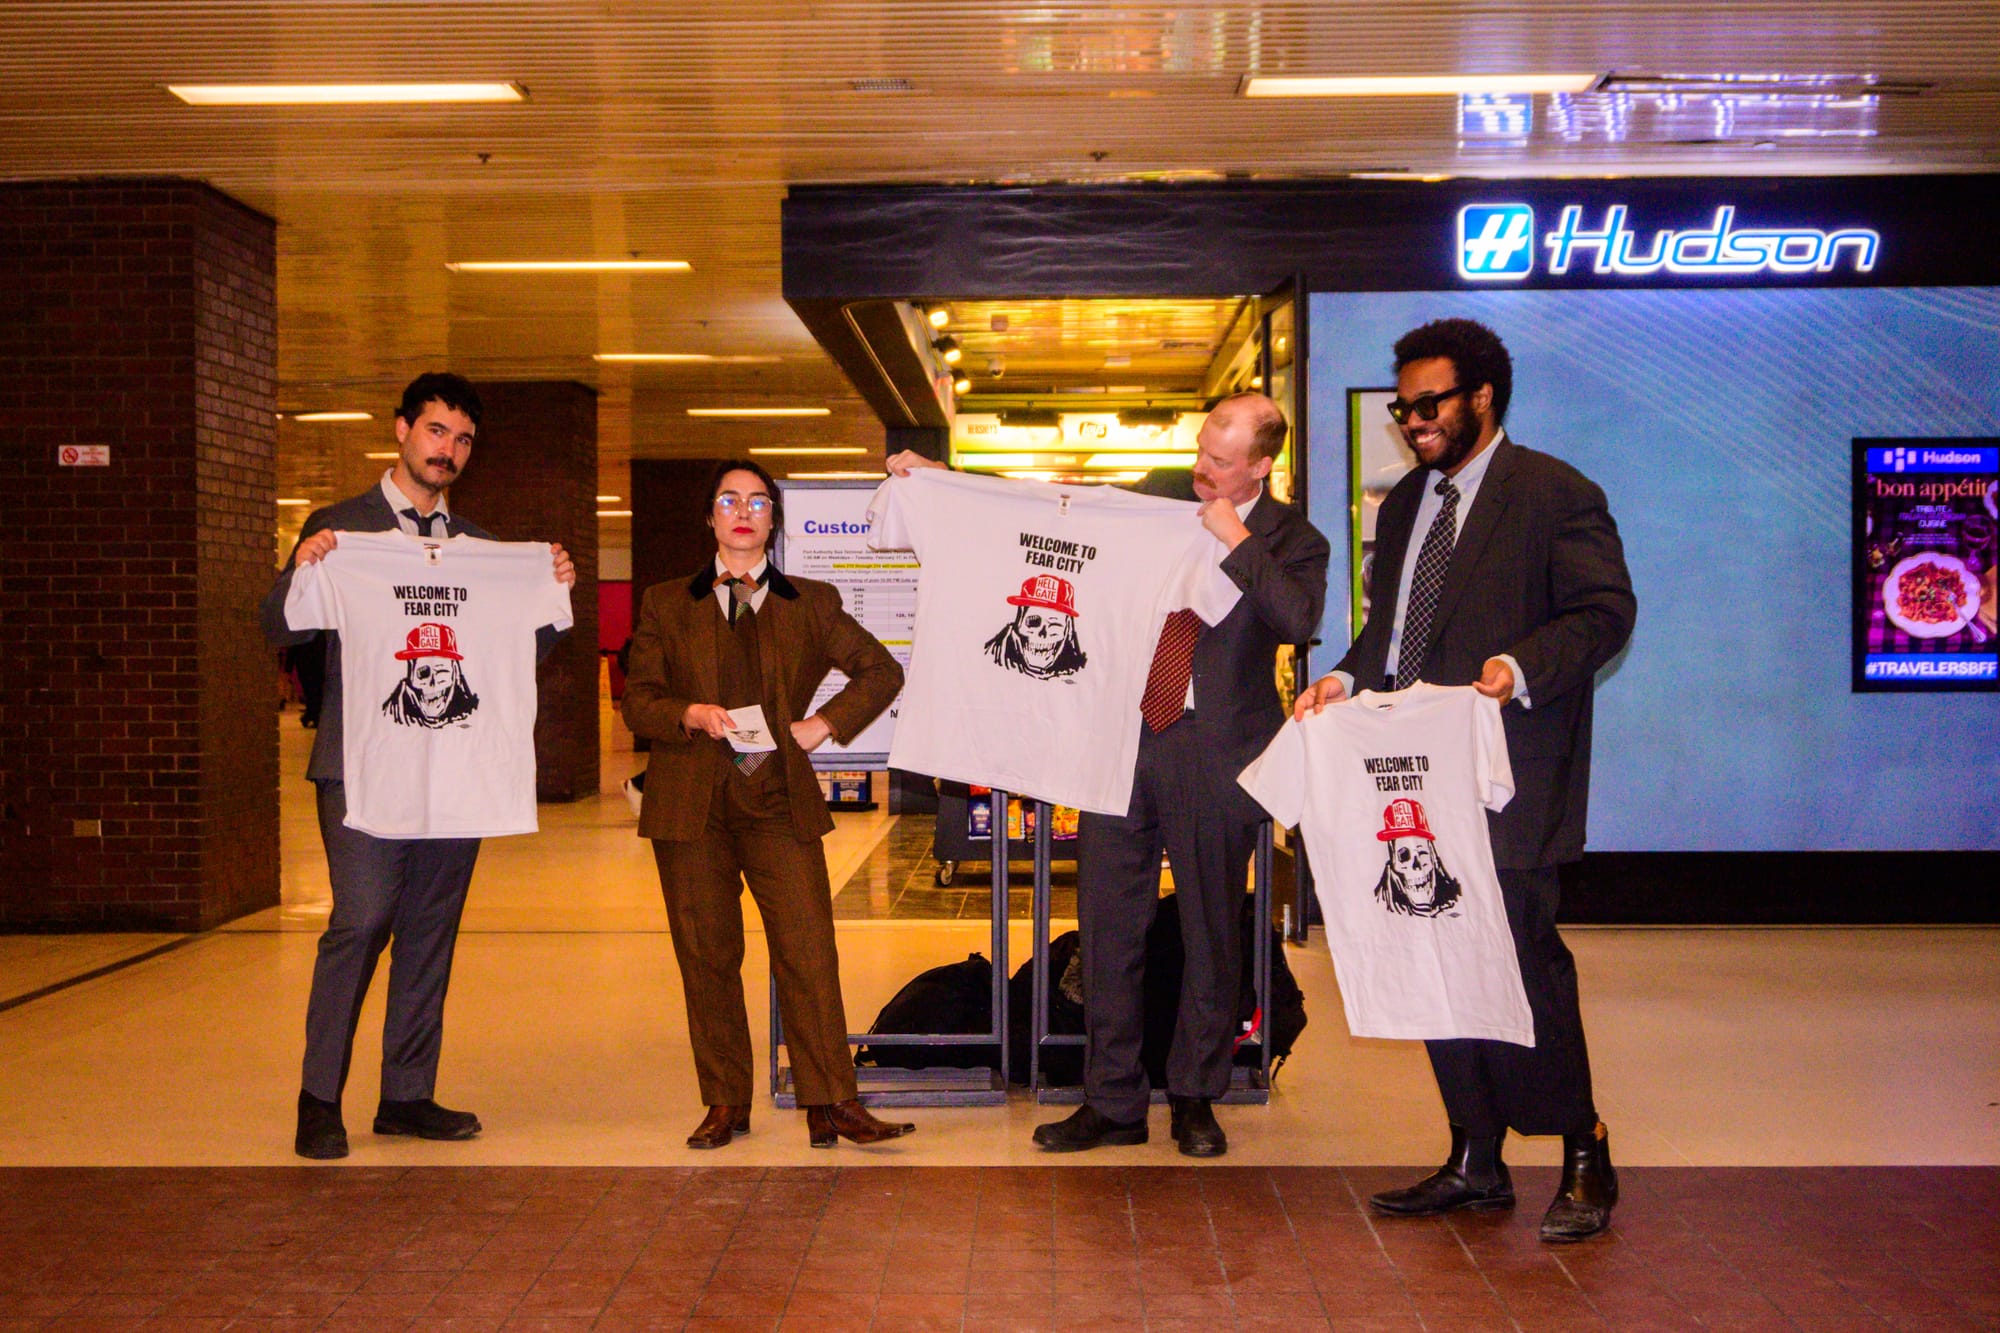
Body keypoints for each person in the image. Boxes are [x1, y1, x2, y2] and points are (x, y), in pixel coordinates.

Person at [890, 391, 1329, 1157]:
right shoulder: (1157, 495)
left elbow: (1299, 619)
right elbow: (1053, 508)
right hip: (1117, 738)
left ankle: (1195, 1094)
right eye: (1201, 449)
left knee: (1211, 931)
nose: (1201, 467)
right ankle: (1113, 1100)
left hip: (1217, 752)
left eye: (1221, 460)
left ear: (1261, 465)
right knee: (1107, 927)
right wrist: (943, 479)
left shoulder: (1294, 537)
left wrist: (1234, 537)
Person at [1295, 317, 1636, 1241]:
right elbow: (1391, 632)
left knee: (1523, 963)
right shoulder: (1407, 501)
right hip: (1414, 782)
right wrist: (1344, 679)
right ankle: (1476, 1157)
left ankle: (1584, 1149)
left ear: (1482, 396)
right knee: (1432, 958)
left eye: (1429, 404)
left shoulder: (1556, 492)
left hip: (1508, 776)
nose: (1413, 421)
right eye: (1404, 408)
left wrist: (1517, 667)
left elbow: (1605, 612)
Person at [260, 372, 576, 1160]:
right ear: (402, 430)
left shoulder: (479, 549)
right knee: (362, 918)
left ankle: (406, 1094)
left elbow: (514, 650)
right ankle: (318, 1097)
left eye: (463, 439)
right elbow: (276, 624)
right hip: (360, 765)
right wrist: (304, 566)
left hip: (454, 768)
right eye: (437, 431)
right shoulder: (342, 529)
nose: (449, 450)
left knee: (431, 927)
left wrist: (550, 591)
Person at [622, 458, 912, 1150]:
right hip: (690, 802)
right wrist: (688, 712)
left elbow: (881, 669)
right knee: (707, 956)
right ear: (710, 517)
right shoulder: (667, 602)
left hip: (777, 796)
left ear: (774, 519)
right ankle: (726, 1102)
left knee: (808, 949)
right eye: (729, 500)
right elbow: (639, 699)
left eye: (757, 502)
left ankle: (832, 1101)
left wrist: (825, 724)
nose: (743, 512)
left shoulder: (810, 601)